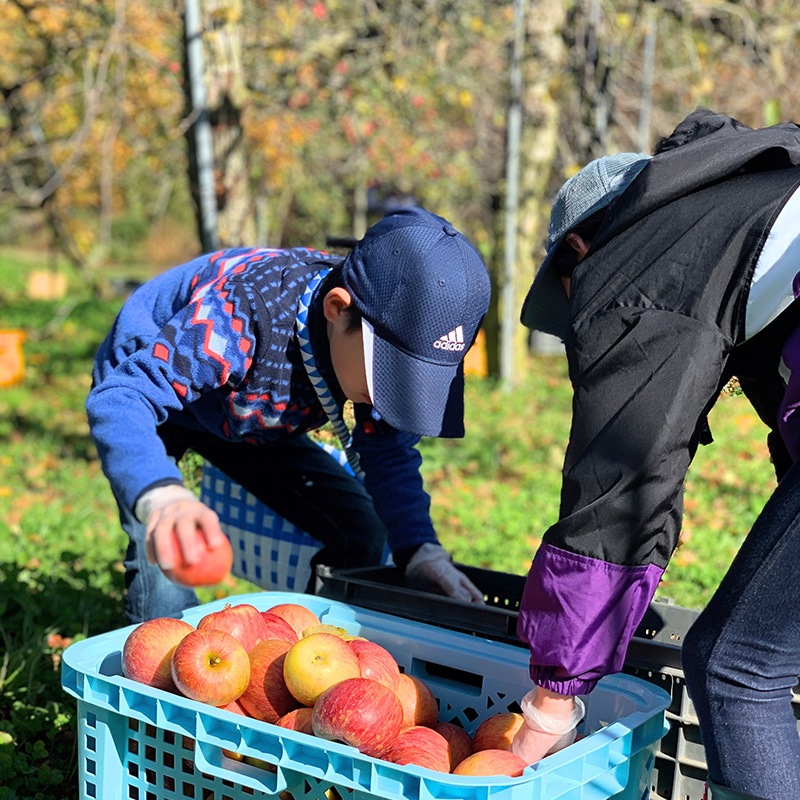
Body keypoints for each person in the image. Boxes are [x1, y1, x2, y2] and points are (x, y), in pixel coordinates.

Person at [511, 108, 800, 800]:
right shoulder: (744, 204)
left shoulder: (641, 255)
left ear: (582, 250)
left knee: (736, 670)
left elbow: (622, 483)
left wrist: (550, 702)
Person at [87, 206, 490, 624]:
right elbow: (121, 398)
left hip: (251, 412)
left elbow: (387, 451)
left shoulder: (370, 332)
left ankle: (309, 646)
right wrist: (163, 498)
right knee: (166, 575)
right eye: (389, 372)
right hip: (153, 399)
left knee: (360, 532)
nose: (392, 395)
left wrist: (420, 548)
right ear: (337, 309)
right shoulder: (245, 315)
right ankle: (155, 668)